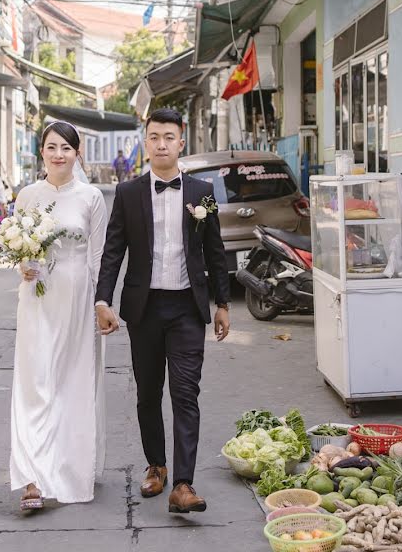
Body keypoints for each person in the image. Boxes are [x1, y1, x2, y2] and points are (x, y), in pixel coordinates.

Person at [95, 108, 231, 514]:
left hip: (188, 308)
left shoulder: (202, 192)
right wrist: (103, 300)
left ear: (181, 142)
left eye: (168, 137)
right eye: (153, 137)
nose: (161, 144)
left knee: (186, 393)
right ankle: (157, 465)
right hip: (145, 308)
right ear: (145, 141)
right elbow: (113, 251)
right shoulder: (129, 193)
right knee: (148, 393)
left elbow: (215, 251)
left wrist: (222, 303)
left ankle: (184, 484)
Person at [10, 121, 108, 511]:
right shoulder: (27, 195)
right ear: (41, 152)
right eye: (51, 147)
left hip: (78, 297)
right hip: (37, 298)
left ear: (77, 153)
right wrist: (22, 267)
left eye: (66, 148)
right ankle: (31, 479)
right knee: (35, 383)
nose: (58, 154)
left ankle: (69, 470)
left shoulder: (91, 197)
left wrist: (102, 303)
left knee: (72, 383)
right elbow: (15, 247)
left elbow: (99, 255)